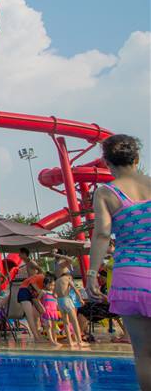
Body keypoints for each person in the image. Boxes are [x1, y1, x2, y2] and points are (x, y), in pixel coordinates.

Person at [87, 134, 150, 388]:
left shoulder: (106, 192)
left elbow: (102, 234)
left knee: (144, 354)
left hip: (131, 278)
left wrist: (92, 273)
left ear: (107, 163)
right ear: (136, 159)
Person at [54, 268, 87, 348]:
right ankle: (80, 341)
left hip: (60, 301)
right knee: (75, 321)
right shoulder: (67, 279)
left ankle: (70, 342)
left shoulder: (57, 281)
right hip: (67, 300)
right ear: (69, 276)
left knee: (66, 323)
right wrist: (80, 299)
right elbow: (76, 290)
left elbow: (53, 294)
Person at [17, 270, 48, 341]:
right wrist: (39, 291)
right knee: (30, 316)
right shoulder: (41, 276)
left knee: (41, 312)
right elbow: (31, 282)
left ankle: (40, 334)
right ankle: (36, 337)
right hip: (24, 291)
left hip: (33, 293)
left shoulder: (45, 285)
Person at [38, 275, 62, 347]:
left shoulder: (54, 293)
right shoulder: (43, 292)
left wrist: (58, 308)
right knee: (48, 326)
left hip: (54, 311)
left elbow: (56, 302)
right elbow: (37, 300)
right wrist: (42, 307)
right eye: (50, 285)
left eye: (53, 285)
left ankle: (55, 340)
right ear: (45, 284)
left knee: (54, 326)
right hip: (47, 310)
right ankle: (51, 341)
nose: (52, 287)